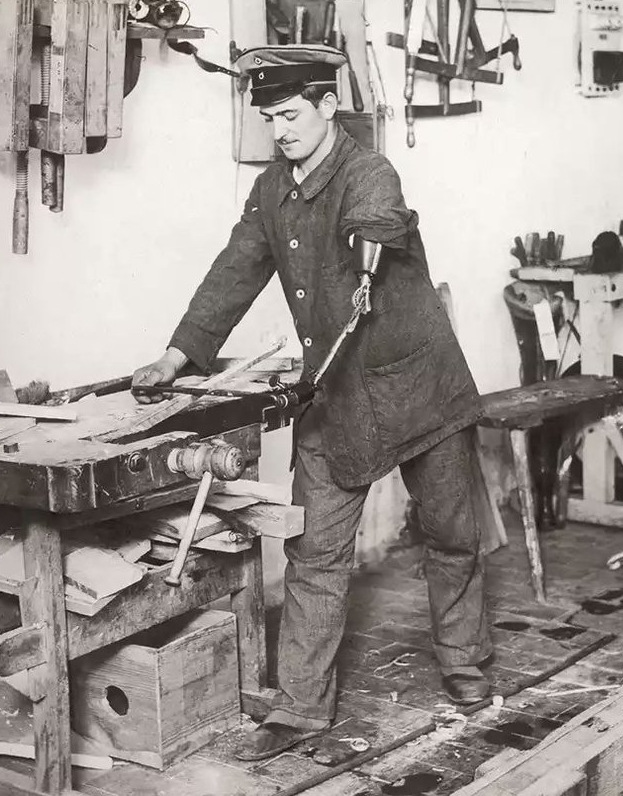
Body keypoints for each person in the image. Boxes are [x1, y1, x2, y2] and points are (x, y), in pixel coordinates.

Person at [130, 44, 493, 761]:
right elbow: (236, 269)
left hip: (420, 387)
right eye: (269, 118)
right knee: (314, 552)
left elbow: (379, 216)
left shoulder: (369, 173)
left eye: (291, 114)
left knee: (451, 537)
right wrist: (180, 353)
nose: (280, 129)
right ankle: (298, 710)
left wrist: (370, 241)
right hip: (334, 396)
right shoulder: (272, 190)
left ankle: (467, 665)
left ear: (330, 106)